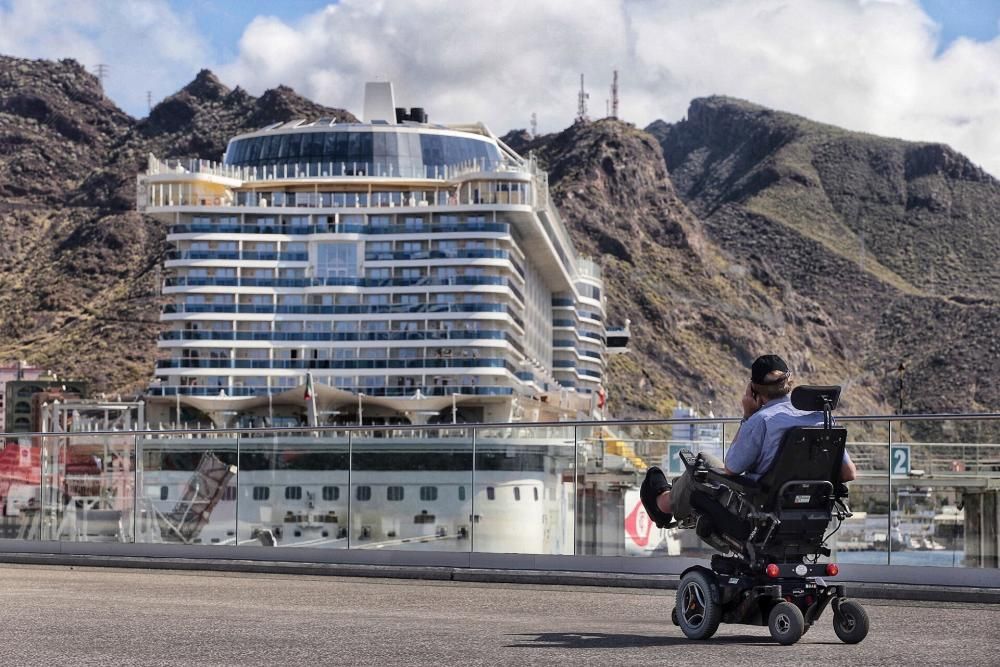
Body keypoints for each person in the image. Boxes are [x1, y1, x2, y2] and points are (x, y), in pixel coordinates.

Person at [640, 354, 857, 528]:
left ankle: (664, 504)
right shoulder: (822, 418)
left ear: (753, 390)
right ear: (789, 382)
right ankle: (674, 489)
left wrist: (747, 417)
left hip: (759, 509)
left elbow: (732, 467)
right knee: (698, 470)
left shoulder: (761, 420)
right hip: (813, 510)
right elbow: (849, 473)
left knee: (702, 464)